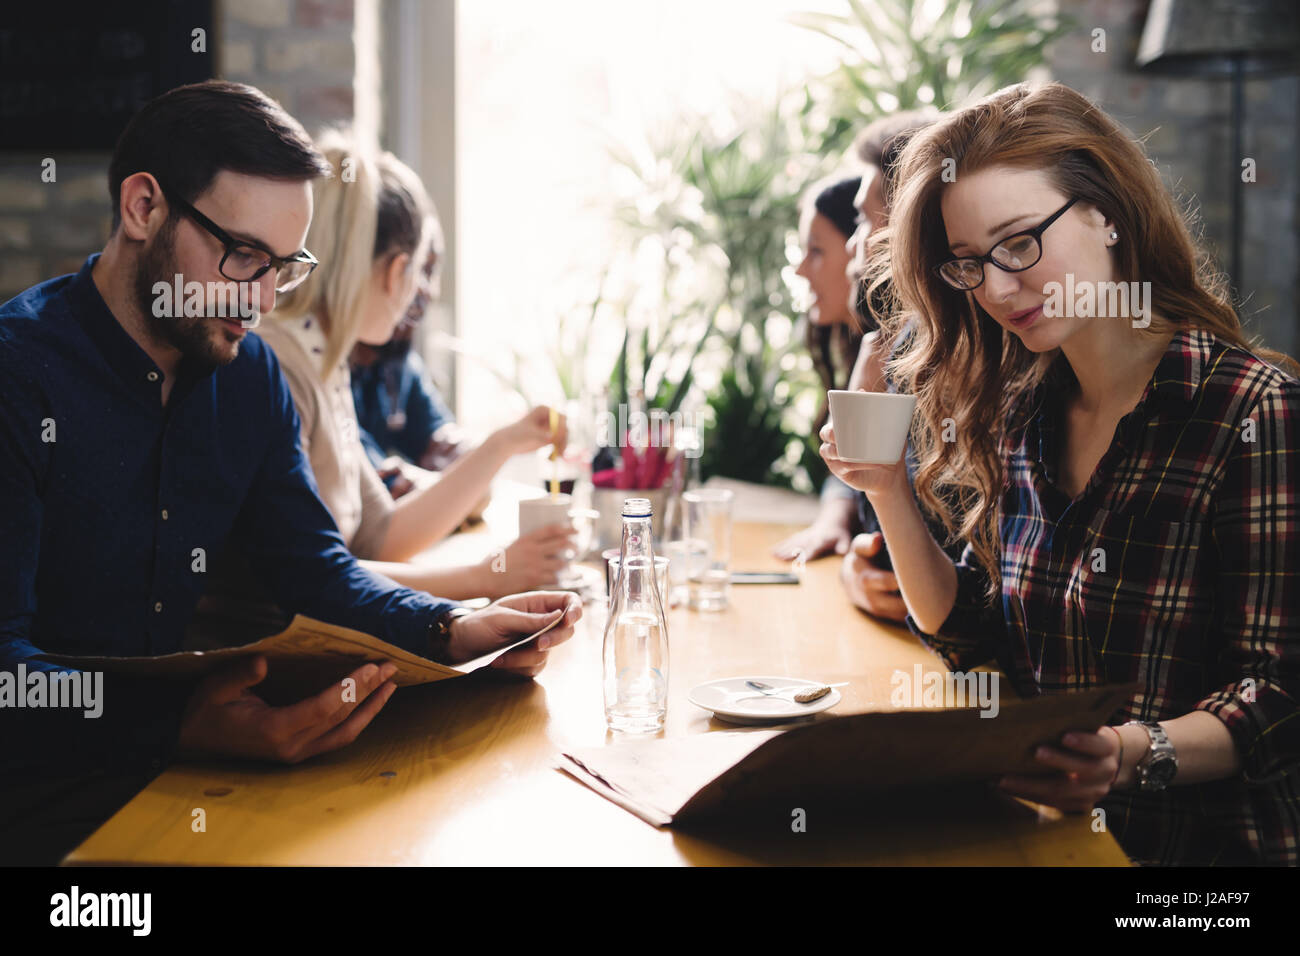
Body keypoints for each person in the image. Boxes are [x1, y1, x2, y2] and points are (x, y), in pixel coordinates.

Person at [0, 81, 580, 863]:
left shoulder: (247, 378)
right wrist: (176, 726)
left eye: (286, 267)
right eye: (243, 258)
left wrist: (452, 633)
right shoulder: (18, 376)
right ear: (143, 208)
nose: (264, 300)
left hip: (180, 788)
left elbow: (317, 574)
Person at [821, 81, 1299, 865]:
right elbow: (977, 632)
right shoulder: (1020, 409)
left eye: (1018, 243)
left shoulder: (1251, 412)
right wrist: (887, 491)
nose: (1000, 289)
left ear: (1105, 211)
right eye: (970, 264)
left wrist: (1130, 753)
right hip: (1051, 842)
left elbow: (1280, 696)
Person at [256, 130, 577, 601]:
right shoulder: (277, 368)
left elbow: (382, 534)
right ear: (395, 272)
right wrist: (487, 579)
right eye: (419, 273)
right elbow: (313, 580)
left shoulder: (324, 362)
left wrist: (504, 443)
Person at [770, 175, 865, 563]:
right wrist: (833, 517)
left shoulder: (903, 359)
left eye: (816, 251)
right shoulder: (850, 345)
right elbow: (854, 473)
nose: (800, 270)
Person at [351, 238, 468, 500]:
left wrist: (457, 453)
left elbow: (450, 447)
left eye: (430, 271)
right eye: (412, 270)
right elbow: (379, 488)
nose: (422, 289)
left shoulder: (400, 365)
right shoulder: (325, 369)